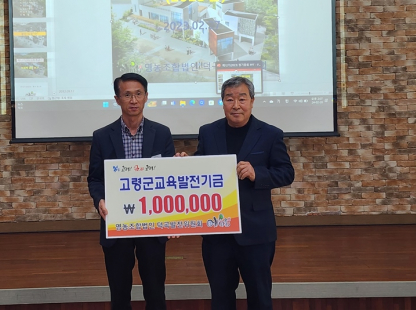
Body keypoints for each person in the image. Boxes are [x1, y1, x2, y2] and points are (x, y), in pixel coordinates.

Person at [195, 76, 294, 310]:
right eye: (229, 99)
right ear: (222, 102)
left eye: (242, 99)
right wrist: (184, 163)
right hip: (217, 231)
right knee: (221, 298)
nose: (236, 105)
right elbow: (200, 167)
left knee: (260, 297)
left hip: (256, 232)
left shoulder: (270, 134)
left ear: (252, 101)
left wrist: (257, 173)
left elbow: (286, 173)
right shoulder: (208, 132)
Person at [88, 73, 175, 310]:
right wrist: (100, 200)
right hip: (117, 222)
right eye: (127, 95)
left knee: (155, 292)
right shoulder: (102, 136)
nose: (133, 100)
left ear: (146, 97)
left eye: (138, 94)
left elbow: (169, 177)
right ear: (117, 99)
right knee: (119, 293)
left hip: (152, 222)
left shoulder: (162, 133)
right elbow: (95, 178)